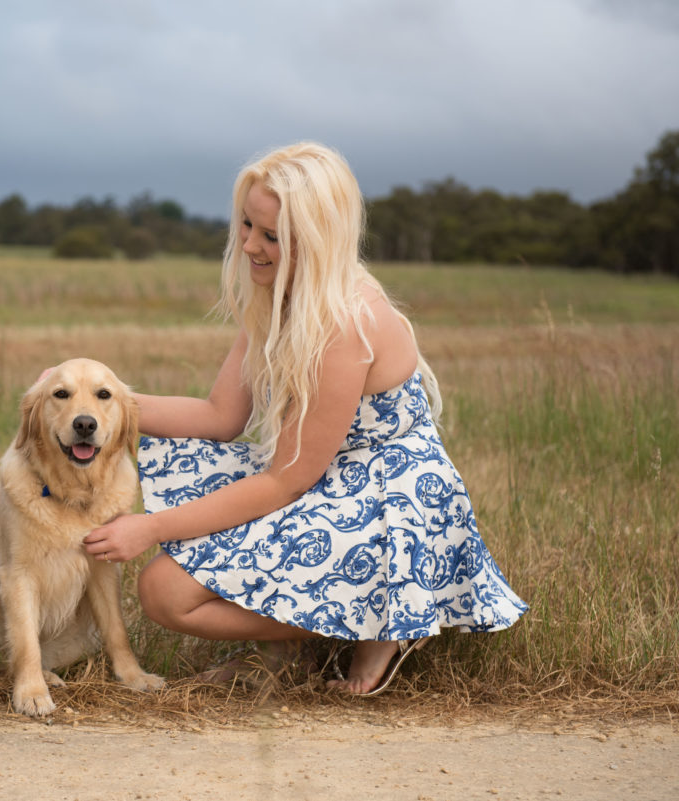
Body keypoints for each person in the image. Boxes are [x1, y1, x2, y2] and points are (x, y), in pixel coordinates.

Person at [80, 142, 527, 695]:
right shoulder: (277, 292)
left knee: (163, 593)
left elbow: (288, 479)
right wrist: (98, 404)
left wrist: (149, 527)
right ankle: (296, 638)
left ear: (316, 240)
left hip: (388, 495)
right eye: (247, 225)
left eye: (271, 236)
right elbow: (221, 417)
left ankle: (373, 620)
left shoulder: (346, 320)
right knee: (166, 587)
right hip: (321, 476)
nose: (249, 245)